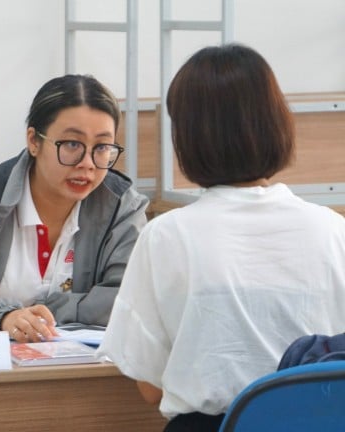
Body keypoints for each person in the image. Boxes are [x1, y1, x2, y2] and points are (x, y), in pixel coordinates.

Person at [97, 44, 345, 432]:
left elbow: (149, 386)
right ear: (278, 122)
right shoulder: (334, 230)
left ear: (187, 136)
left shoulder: (167, 235)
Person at [0, 74, 149, 341]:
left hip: (82, 373)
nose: (88, 163)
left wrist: (12, 312)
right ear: (34, 141)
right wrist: (3, 318)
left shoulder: (121, 207)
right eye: (72, 144)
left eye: (102, 147)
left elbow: (132, 303)